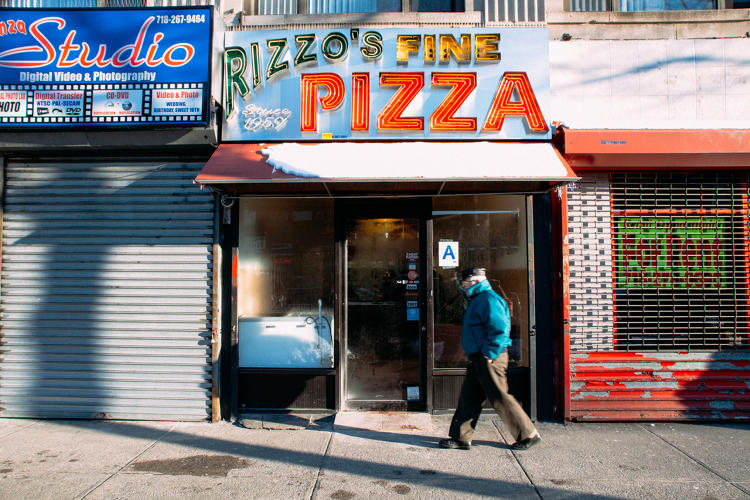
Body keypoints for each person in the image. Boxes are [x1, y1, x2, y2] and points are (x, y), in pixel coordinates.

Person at [439, 267, 541, 451]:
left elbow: (500, 329)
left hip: (489, 357)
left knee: (499, 396)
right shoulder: (478, 299)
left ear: (475, 281)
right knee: (469, 396)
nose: (463, 286)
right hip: (478, 356)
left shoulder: (488, 299)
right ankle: (461, 437)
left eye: (465, 283)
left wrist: (489, 353)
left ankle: (529, 434)